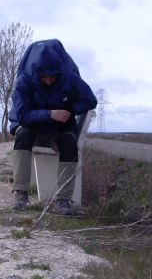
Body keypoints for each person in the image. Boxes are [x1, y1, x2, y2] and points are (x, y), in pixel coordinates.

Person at [9, 39, 97, 215]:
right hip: (31, 124)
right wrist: (50, 114)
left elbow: (90, 100)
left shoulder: (69, 77)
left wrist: (70, 110)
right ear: (37, 73)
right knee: (23, 135)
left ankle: (63, 200)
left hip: (59, 126)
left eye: (53, 77)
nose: (49, 81)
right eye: (44, 77)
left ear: (59, 72)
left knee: (70, 142)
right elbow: (23, 116)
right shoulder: (24, 81)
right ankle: (21, 194)